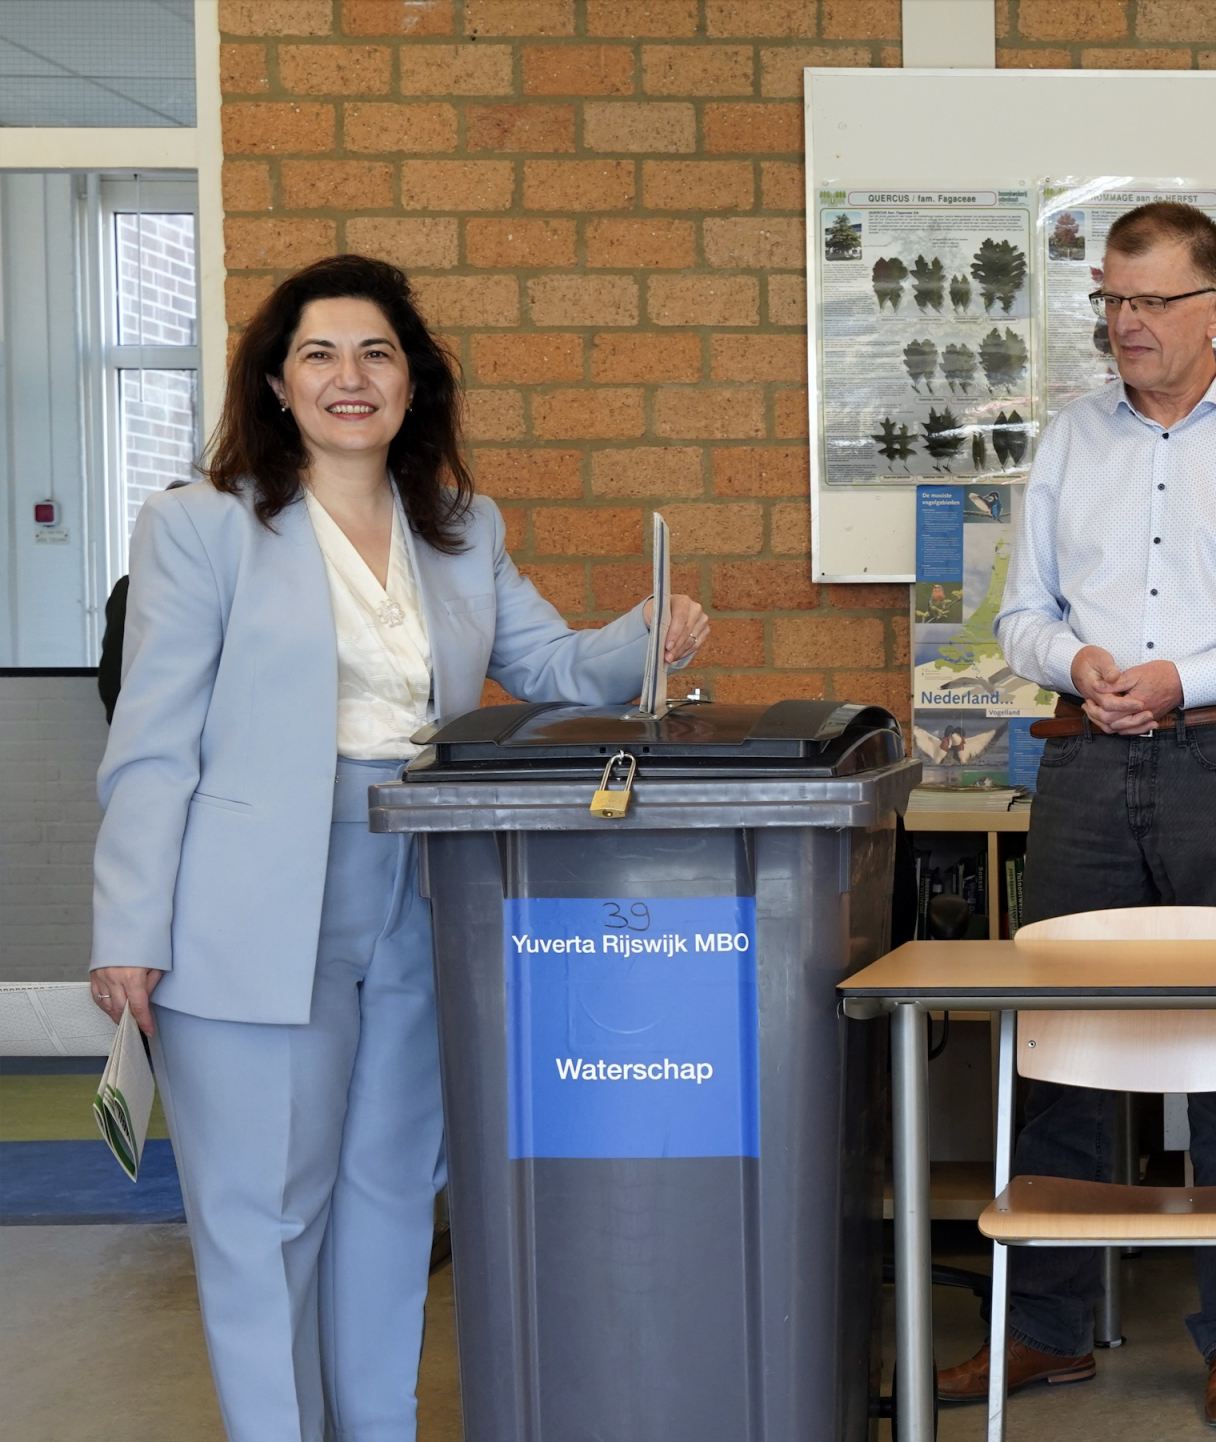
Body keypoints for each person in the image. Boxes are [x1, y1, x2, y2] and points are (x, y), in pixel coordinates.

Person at [88, 253, 708, 1442]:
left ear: (412, 381)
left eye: (376, 352)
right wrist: (129, 925)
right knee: (262, 1213)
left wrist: (648, 630)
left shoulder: (461, 529)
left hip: (422, 886)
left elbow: (551, 671)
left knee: (388, 1201)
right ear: (274, 382)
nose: (349, 376)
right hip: (247, 907)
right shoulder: (200, 527)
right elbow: (152, 742)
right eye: (318, 352)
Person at [954, 202, 1216, 1426]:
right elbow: (1019, 612)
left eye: (1149, 302)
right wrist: (1074, 661)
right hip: (1081, 766)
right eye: (1111, 304)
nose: (1124, 325)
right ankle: (1047, 1331)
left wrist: (1190, 674)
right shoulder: (1072, 440)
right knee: (1060, 1050)